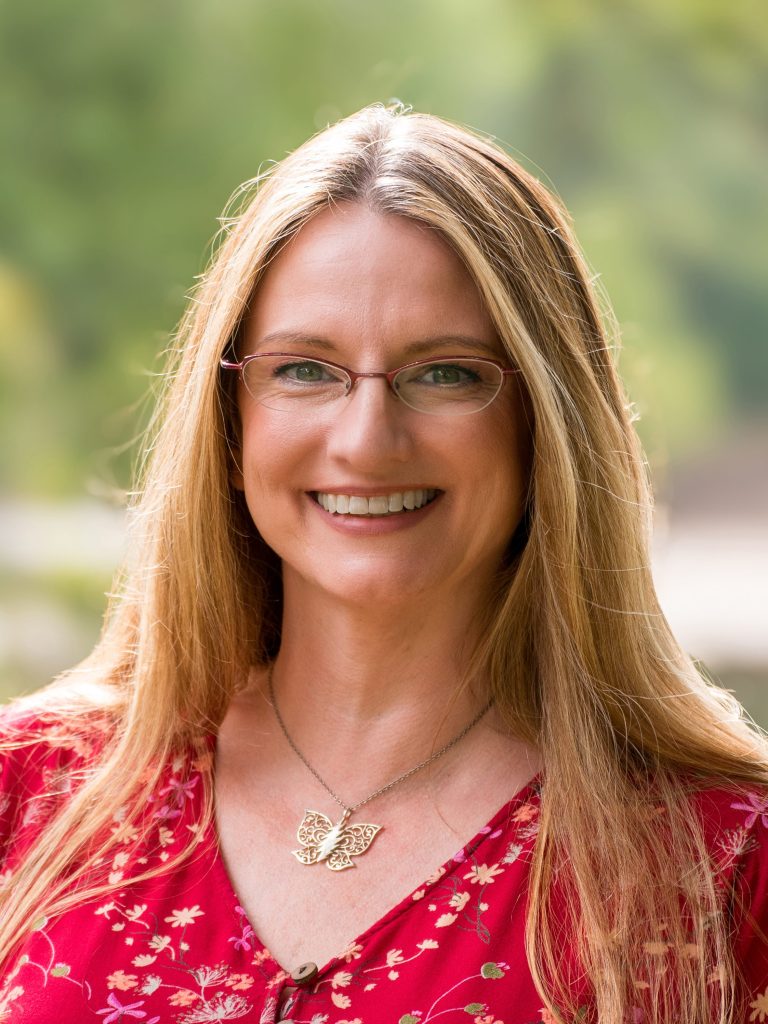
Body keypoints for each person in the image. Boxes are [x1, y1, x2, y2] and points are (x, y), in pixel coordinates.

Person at [0, 104, 766, 1024]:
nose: (365, 441)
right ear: (231, 411)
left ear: (545, 423)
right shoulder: (31, 793)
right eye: (305, 369)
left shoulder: (722, 867)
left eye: (445, 372)